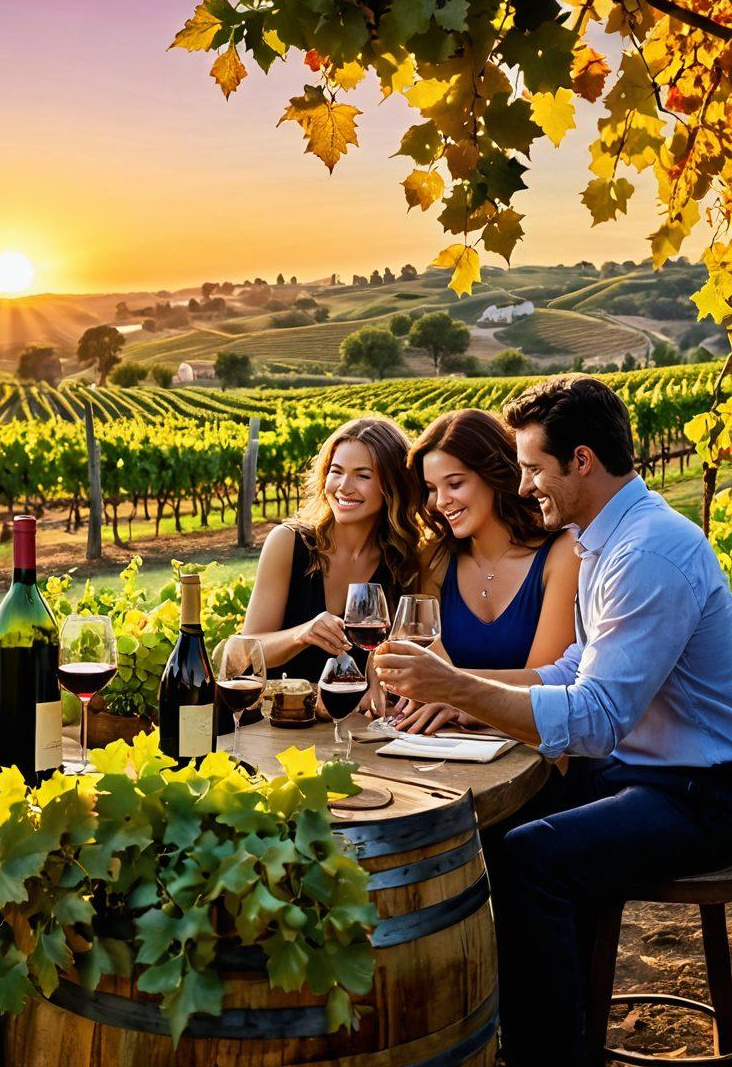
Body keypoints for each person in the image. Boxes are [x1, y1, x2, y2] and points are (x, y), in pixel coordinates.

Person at [373, 376, 732, 1067]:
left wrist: (461, 689)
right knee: (497, 822)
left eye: (535, 467)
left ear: (583, 461)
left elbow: (596, 717)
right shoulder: (608, 535)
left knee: (532, 859)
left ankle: (549, 1054)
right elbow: (574, 667)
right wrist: (460, 691)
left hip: (705, 790)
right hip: (651, 769)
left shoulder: (647, 553)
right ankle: (528, 1020)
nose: (527, 482)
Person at [395, 408, 578, 734]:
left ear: (494, 475)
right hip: (452, 746)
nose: (440, 502)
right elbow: (429, 676)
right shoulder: (436, 559)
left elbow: (547, 682)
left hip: (535, 751)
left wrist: (454, 693)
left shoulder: (561, 554)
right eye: (432, 489)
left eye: (454, 484)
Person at [242, 416, 420, 681]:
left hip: (354, 720)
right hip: (278, 715)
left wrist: (378, 679)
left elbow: (405, 656)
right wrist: (301, 634)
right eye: (336, 471)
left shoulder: (402, 560)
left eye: (362, 475)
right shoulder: (289, 543)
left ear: (392, 486)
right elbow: (246, 651)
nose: (344, 487)